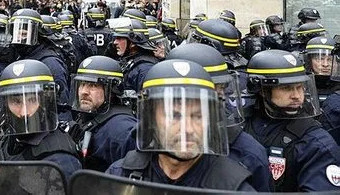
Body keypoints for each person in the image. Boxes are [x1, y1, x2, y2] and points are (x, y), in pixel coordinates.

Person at [106, 59, 255, 191]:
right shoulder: (120, 176)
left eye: (198, 116)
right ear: (151, 120)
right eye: (174, 116)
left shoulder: (233, 188)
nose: (188, 129)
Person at [166, 43, 272, 192]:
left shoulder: (247, 152)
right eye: (208, 90)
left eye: (221, 89)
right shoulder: (146, 142)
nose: (219, 97)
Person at [243, 50, 340, 192]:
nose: (297, 96)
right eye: (286, 88)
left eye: (300, 87)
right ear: (262, 90)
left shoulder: (315, 142)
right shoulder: (240, 126)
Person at [0, 59, 81, 180]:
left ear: (44, 102)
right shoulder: (11, 138)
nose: (24, 112)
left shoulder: (60, 161)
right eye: (16, 101)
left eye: (32, 100)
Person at [69, 56, 137, 171]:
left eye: (93, 85)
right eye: (82, 84)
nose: (84, 91)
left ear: (111, 90)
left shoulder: (122, 130)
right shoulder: (89, 115)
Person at [9, 8, 71, 121]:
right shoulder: (23, 55)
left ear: (37, 34)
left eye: (24, 34)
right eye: (16, 33)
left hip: (43, 124)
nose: (19, 39)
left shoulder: (50, 62)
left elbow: (62, 105)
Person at [307, 37, 340, 144]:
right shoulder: (299, 87)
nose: (325, 64)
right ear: (309, 61)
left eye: (330, 59)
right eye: (319, 58)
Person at [112, 20, 158, 91]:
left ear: (132, 43)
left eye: (120, 38)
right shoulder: (131, 60)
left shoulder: (145, 69)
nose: (115, 42)